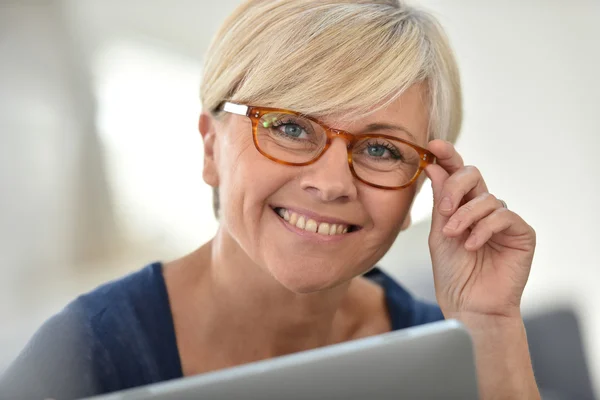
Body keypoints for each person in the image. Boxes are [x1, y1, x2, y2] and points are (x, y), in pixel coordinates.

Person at [0, 0, 540, 399]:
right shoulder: (82, 356)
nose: (331, 183)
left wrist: (490, 326)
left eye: (381, 148)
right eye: (289, 126)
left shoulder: (447, 347)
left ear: (421, 188)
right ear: (212, 148)